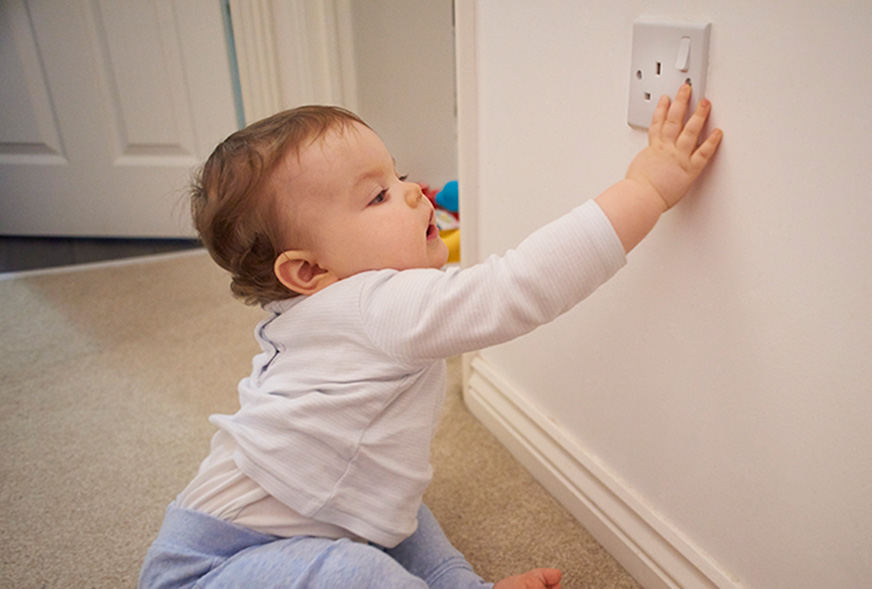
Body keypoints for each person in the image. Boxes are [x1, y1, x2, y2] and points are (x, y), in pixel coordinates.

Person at [139, 83, 722, 588]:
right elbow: (518, 286)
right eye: (378, 195)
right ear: (310, 271)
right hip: (211, 570)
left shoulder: (322, 306)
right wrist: (647, 189)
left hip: (281, 524)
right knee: (358, 574)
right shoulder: (375, 305)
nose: (414, 190)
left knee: (398, 510)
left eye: (396, 174)